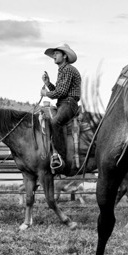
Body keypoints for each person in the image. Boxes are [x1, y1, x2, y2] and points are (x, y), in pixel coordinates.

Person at [41, 44, 81, 173]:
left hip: (69, 103)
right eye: (54, 54)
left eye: (57, 53)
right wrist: (48, 84)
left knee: (55, 121)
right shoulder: (63, 70)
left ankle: (61, 157)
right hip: (63, 102)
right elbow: (59, 91)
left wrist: (45, 93)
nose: (54, 55)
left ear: (64, 56)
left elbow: (61, 93)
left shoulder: (68, 69)